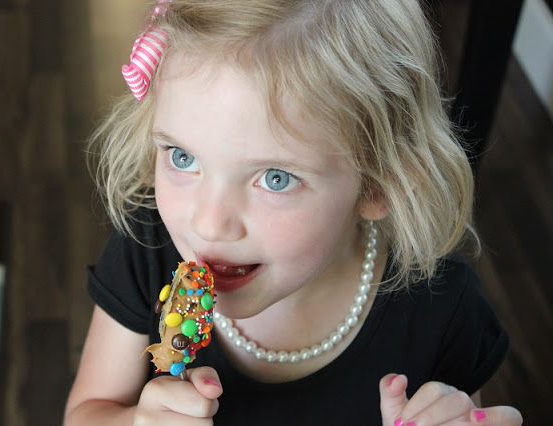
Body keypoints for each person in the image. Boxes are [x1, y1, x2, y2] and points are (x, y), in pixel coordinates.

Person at [65, 0, 523, 424]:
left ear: (382, 184)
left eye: (275, 178)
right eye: (183, 158)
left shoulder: (443, 310)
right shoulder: (146, 248)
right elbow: (87, 411)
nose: (207, 224)